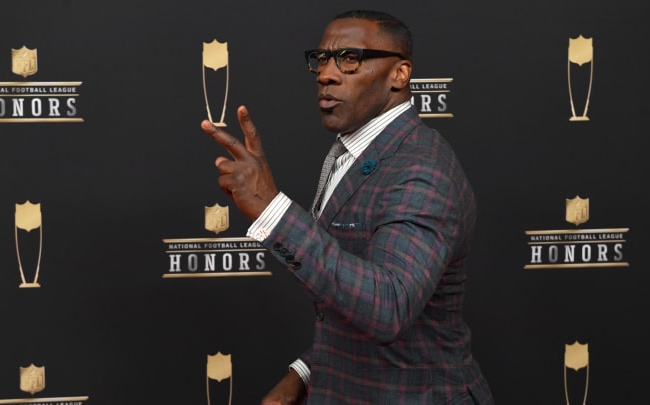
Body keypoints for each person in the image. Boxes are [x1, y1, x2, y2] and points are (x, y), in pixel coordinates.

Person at [201, 9, 494, 405]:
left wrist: (272, 208)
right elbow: (347, 293)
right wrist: (304, 374)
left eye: (350, 59)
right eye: (321, 59)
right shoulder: (355, 151)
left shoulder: (422, 168)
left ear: (399, 75)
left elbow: (387, 306)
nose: (326, 74)